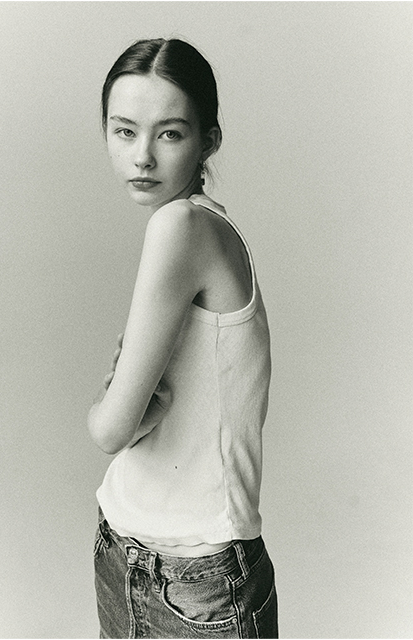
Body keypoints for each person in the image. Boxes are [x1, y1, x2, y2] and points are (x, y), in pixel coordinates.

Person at [88, 37, 278, 639]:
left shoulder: (182, 225)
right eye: (124, 131)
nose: (142, 156)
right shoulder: (197, 226)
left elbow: (109, 430)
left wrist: (110, 407)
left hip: (198, 583)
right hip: (129, 552)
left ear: (208, 140)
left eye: (169, 134)